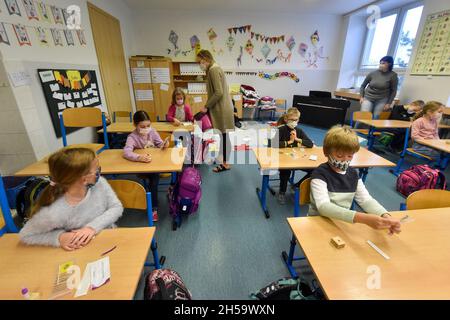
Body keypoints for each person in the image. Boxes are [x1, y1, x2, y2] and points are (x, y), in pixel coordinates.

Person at [19, 148, 123, 250]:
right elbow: (26, 235)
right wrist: (59, 237)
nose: (98, 173)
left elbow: (116, 207)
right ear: (83, 179)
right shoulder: (53, 212)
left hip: (109, 237)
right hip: (82, 248)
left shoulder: (100, 183)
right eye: (96, 170)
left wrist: (92, 228)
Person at [309, 125, 401, 234]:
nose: (344, 160)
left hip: (342, 221)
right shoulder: (320, 174)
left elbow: (366, 200)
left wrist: (385, 215)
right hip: (318, 221)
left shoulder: (353, 174)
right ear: (326, 152)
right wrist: (363, 218)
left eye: (350, 156)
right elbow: (324, 207)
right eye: (339, 155)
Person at [123, 110, 169, 222]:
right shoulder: (132, 137)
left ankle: (152, 201)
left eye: (148, 125)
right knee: (154, 179)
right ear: (135, 125)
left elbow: (159, 144)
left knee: (154, 177)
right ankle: (154, 208)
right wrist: (139, 157)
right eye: (142, 126)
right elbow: (126, 152)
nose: (146, 128)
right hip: (142, 166)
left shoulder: (152, 132)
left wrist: (164, 145)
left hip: (154, 164)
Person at [196, 50, 235, 172]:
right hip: (221, 107)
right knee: (222, 134)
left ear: (205, 59)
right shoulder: (214, 68)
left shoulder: (213, 69)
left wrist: (206, 106)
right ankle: (223, 158)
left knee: (224, 135)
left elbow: (218, 92)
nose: (199, 64)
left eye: (199, 61)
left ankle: (226, 164)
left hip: (222, 108)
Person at [271, 108, 314, 204]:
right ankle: (282, 192)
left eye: (296, 120)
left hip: (296, 159)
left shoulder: (299, 130)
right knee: (286, 171)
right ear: (286, 119)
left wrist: (297, 139)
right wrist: (289, 142)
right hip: (282, 159)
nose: (294, 122)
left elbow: (310, 144)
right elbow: (273, 144)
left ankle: (297, 186)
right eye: (291, 120)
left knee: (314, 170)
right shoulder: (281, 130)